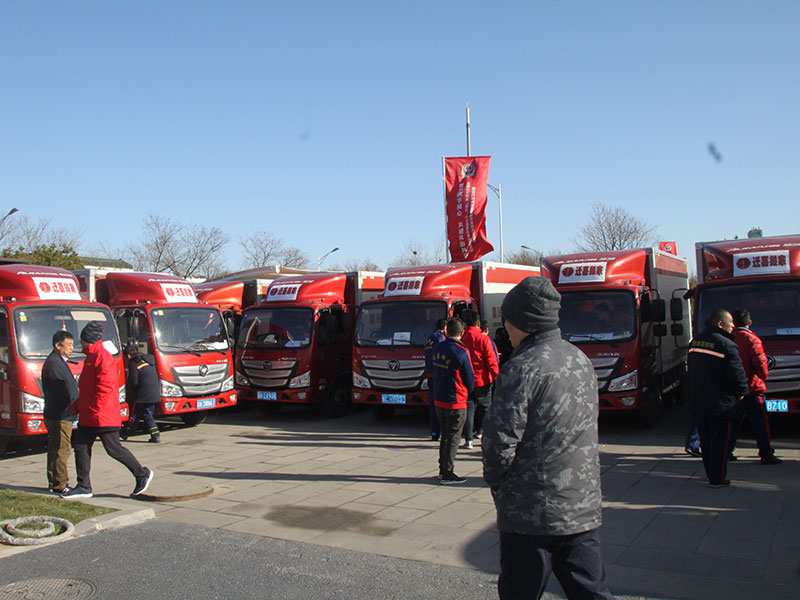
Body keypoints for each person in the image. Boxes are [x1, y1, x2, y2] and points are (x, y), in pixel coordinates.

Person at [482, 277, 614, 600]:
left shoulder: (521, 368)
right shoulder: (580, 360)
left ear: (524, 322)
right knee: (591, 591)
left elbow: (498, 445)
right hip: (580, 506)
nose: (505, 328)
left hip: (530, 515)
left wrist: (499, 486)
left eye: (508, 320)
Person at [61, 322, 154, 499]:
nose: (80, 343)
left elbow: (105, 388)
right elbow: (88, 390)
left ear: (87, 340)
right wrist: (76, 407)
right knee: (81, 447)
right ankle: (83, 486)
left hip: (101, 416)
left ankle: (142, 473)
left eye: (82, 339)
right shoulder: (91, 356)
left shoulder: (102, 357)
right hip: (91, 415)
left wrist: (94, 409)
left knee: (113, 448)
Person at [686, 309, 749, 488]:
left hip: (700, 401)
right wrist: (743, 392)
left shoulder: (695, 341)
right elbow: (737, 374)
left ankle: (710, 474)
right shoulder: (727, 345)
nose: (733, 327)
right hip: (722, 403)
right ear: (720, 324)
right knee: (720, 443)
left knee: (706, 442)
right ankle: (718, 478)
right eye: (730, 323)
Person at [730, 308, 781, 464]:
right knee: (760, 424)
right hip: (752, 388)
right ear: (750, 322)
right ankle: (765, 453)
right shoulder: (752, 339)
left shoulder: (728, 338)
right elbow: (760, 364)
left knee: (732, 424)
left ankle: (728, 451)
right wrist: (763, 377)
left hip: (733, 390)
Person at [431, 317, 474, 485]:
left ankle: (443, 469)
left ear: (446, 331)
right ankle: (447, 473)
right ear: (462, 333)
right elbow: (469, 378)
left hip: (439, 398)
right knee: (454, 437)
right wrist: (470, 391)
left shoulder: (438, 348)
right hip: (456, 399)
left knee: (445, 435)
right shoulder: (461, 352)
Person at [42, 330, 79, 494]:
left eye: (72, 345)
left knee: (56, 448)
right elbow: (60, 391)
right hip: (60, 414)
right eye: (68, 345)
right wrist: (71, 406)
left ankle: (54, 481)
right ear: (58, 345)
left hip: (59, 412)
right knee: (61, 449)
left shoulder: (58, 361)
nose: (71, 348)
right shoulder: (54, 363)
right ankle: (60, 484)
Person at [460, 311, 499, 447]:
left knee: (469, 409)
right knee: (485, 408)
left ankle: (468, 439)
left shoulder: (462, 338)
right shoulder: (484, 339)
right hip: (483, 380)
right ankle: (483, 434)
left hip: (466, 381)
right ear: (478, 323)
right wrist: (497, 377)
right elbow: (491, 361)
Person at [121, 343, 161, 443]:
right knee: (142, 413)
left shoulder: (134, 363)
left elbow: (134, 382)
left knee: (142, 414)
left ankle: (155, 435)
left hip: (143, 394)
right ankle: (127, 433)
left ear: (128, 355)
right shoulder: (148, 360)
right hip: (154, 393)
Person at [423, 318, 447, 441]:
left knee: (433, 405)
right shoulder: (440, 339)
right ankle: (442, 431)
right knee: (442, 404)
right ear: (445, 327)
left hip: (430, 375)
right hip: (439, 375)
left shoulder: (429, 338)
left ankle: (434, 432)